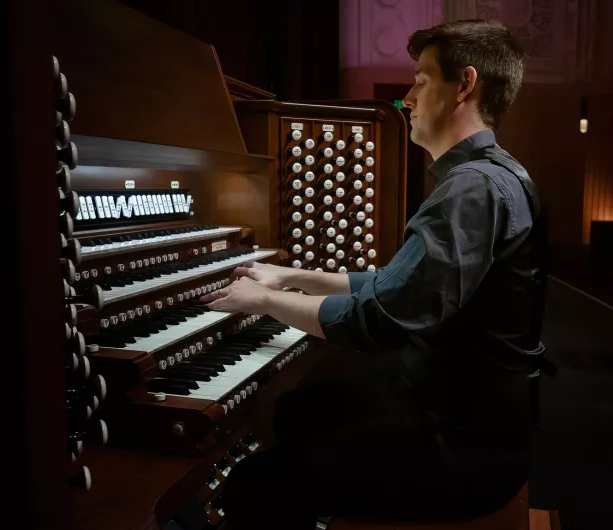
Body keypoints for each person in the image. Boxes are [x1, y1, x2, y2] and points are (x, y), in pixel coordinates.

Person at [201, 19, 549, 530]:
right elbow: (399, 284)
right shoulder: (491, 175)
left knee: (259, 481)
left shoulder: (472, 188)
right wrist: (291, 277)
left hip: (464, 445)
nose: (407, 99)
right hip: (468, 415)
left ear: (465, 85)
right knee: (299, 411)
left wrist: (263, 302)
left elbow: (381, 318)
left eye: (420, 80)